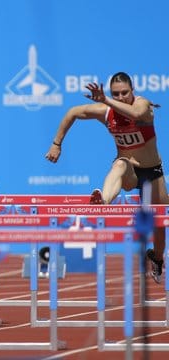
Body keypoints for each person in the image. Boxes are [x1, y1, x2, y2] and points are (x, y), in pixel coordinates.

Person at [45, 71, 166, 283]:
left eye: (124, 93)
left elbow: (136, 115)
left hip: (152, 171)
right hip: (129, 171)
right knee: (119, 164)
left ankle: (157, 257)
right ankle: (103, 203)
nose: (120, 97)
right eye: (115, 94)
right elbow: (73, 112)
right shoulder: (106, 112)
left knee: (160, 223)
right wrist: (57, 143)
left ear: (133, 91)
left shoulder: (143, 105)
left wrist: (107, 100)